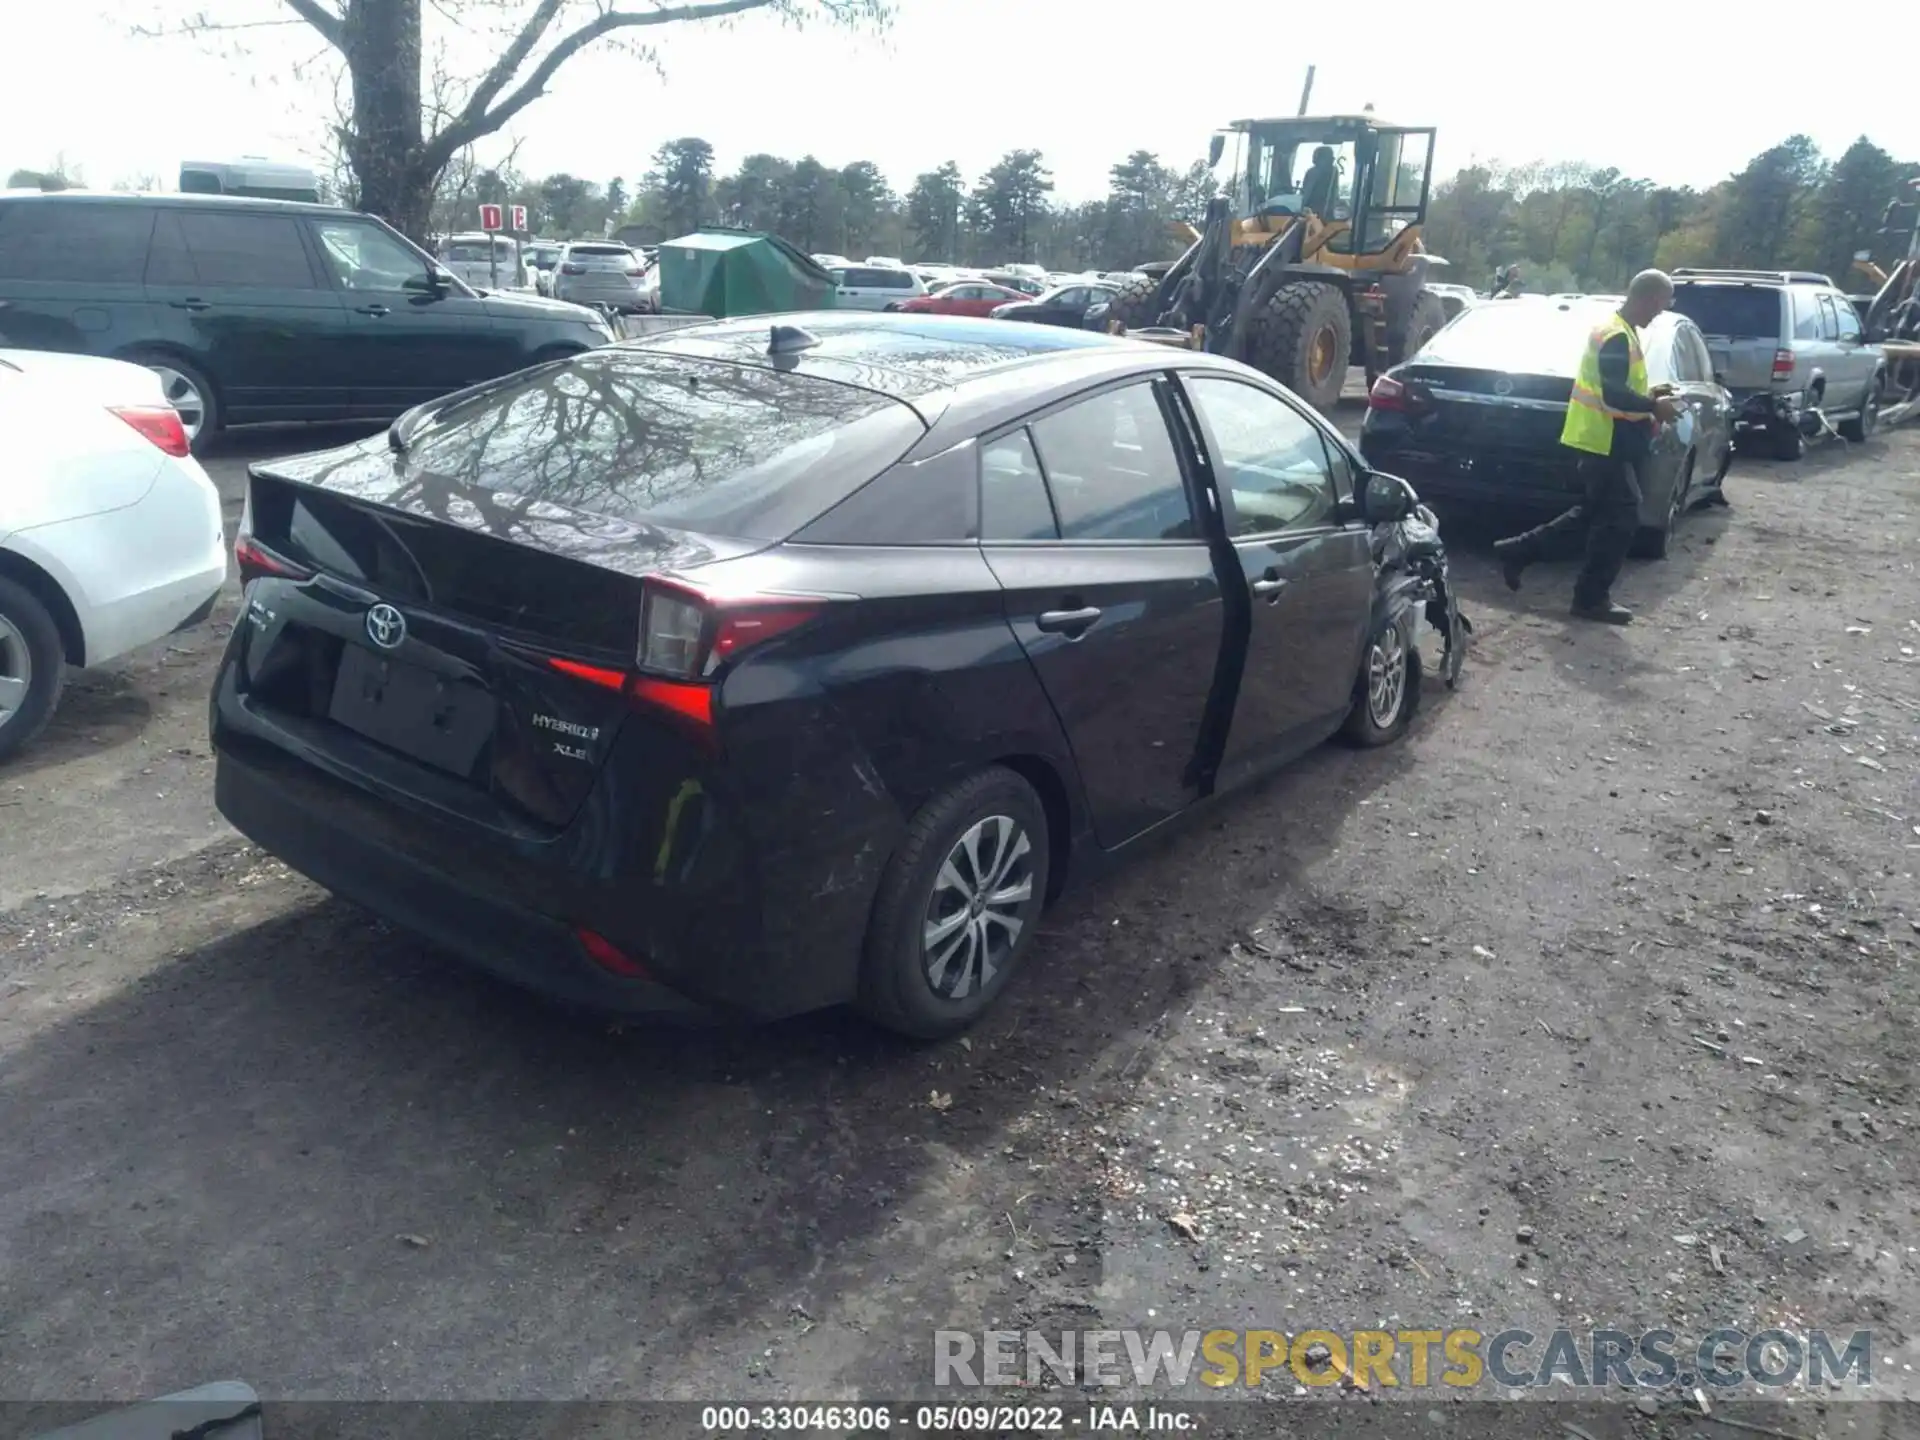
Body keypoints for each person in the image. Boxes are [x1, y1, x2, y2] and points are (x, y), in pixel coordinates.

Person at [1492, 269, 1682, 625]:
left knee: (1596, 514)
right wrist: (1655, 407)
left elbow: (1616, 390)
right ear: (1649, 298)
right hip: (1603, 442)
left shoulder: (1620, 331)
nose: (1661, 312)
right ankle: (1590, 598)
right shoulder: (1616, 336)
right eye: (1661, 304)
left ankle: (1519, 550)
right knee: (1623, 517)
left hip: (1602, 439)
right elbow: (1611, 394)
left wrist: (1650, 397)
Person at [1300, 146, 1339, 219]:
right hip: (1319, 214)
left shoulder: (1313, 172)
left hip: (1316, 214)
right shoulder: (1333, 171)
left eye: (1316, 156)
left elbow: (1306, 194)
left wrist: (1302, 209)